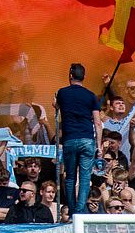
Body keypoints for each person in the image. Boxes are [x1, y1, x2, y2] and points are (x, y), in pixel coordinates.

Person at [54, 62, 102, 215]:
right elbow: (98, 122)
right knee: (84, 177)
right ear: (84, 77)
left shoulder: (62, 93)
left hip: (69, 140)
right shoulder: (91, 95)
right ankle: (80, 212)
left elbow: (57, 107)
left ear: (70, 76)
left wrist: (55, 104)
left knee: (70, 178)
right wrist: (99, 146)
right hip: (87, 139)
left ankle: (73, 210)